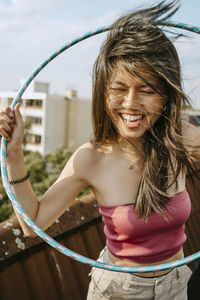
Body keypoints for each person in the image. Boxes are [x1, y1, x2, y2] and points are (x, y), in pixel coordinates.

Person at [0, 1, 199, 299]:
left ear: (166, 96)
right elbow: (34, 223)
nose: (130, 103)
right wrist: (14, 155)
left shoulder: (181, 139)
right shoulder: (90, 158)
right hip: (120, 291)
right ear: (103, 93)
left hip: (177, 285)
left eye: (146, 90)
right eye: (119, 89)